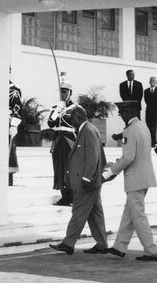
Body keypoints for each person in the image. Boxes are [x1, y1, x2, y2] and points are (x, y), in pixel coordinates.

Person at [102, 102, 157, 262]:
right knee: (130, 214)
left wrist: (109, 173)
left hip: (135, 179)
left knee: (138, 216)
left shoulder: (129, 130)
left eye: (122, 112)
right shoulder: (143, 126)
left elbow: (128, 157)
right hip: (145, 177)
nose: (120, 115)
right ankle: (119, 247)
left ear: (128, 112)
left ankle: (151, 250)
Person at [49, 105, 108, 256]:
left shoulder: (87, 130)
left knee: (78, 211)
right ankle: (102, 244)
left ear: (78, 117)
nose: (70, 121)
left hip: (87, 182)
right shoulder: (87, 129)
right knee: (95, 214)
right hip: (90, 181)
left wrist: (86, 177)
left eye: (71, 118)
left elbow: (93, 156)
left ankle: (68, 243)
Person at [47, 79, 77, 206]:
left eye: (64, 92)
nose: (62, 95)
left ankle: (72, 196)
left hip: (69, 141)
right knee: (59, 168)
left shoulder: (76, 109)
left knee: (69, 169)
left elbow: (78, 125)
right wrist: (57, 110)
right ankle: (64, 195)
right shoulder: (56, 107)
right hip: (58, 141)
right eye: (61, 92)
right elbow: (50, 123)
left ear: (70, 93)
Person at [8, 76, 22, 186]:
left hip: (8, 122)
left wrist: (13, 125)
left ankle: (9, 177)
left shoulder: (14, 90)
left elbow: (18, 109)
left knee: (9, 150)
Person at [143, 76, 157, 145]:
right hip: (149, 111)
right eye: (151, 81)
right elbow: (146, 101)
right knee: (149, 126)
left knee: (155, 126)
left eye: (154, 81)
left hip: (156, 111)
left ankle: (155, 141)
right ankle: (150, 141)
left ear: (156, 82)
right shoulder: (146, 91)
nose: (152, 82)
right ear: (149, 82)